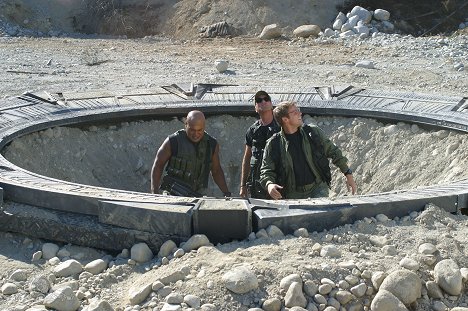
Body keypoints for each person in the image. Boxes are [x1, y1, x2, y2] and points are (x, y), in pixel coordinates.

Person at [259, 101, 357, 200]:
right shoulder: (274, 144)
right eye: (295, 112)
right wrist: (269, 184)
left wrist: (348, 174)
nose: (300, 113)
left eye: (298, 110)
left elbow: (334, 152)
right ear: (285, 119)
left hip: (318, 189)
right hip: (292, 195)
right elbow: (266, 170)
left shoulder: (313, 133)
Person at [151, 110, 231, 197]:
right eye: (192, 130)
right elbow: (158, 165)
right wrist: (154, 192)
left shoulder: (211, 144)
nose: (196, 134)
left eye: (199, 130)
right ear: (186, 125)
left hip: (197, 194)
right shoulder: (173, 141)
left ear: (204, 127)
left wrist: (226, 192)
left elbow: (216, 171)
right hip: (173, 193)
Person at [239, 91, 280, 199]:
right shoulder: (252, 130)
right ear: (256, 108)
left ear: (271, 104)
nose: (263, 102)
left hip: (278, 182)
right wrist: (243, 185)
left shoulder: (282, 127)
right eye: (259, 100)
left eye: (266, 99)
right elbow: (247, 157)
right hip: (256, 185)